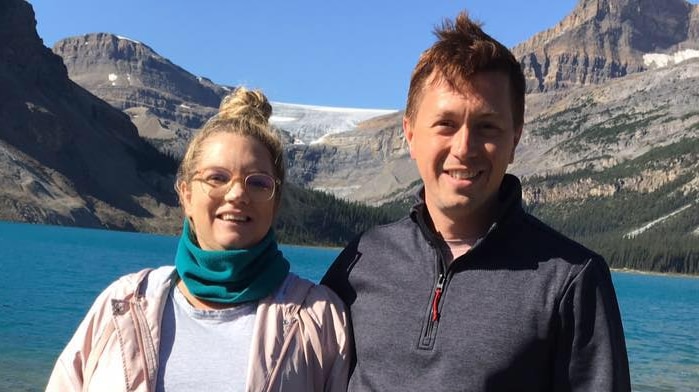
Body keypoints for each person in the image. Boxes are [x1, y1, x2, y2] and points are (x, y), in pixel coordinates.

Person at [321, 11, 631, 392]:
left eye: (487, 126)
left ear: (514, 139)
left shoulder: (572, 279)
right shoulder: (363, 259)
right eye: (445, 124)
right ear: (410, 134)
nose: (464, 148)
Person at [46, 87, 351, 391]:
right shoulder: (122, 302)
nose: (237, 194)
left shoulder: (318, 316)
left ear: (276, 201)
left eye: (257, 182)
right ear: (186, 194)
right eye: (217, 178)